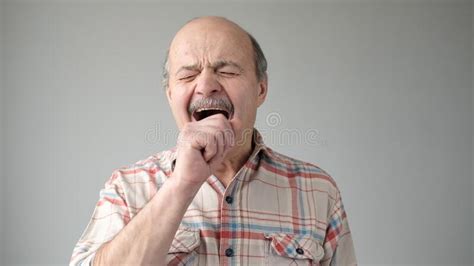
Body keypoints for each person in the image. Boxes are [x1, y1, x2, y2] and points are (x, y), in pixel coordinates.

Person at [70, 16, 357, 265]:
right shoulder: (126, 188)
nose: (206, 85)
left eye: (227, 71)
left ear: (261, 89)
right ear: (170, 95)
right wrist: (182, 184)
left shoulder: (319, 191)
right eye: (188, 74)